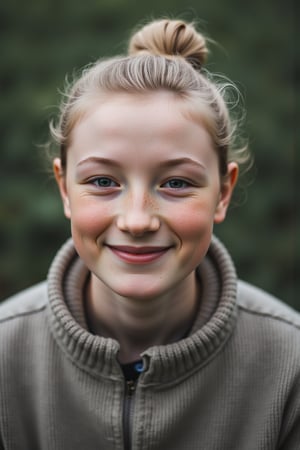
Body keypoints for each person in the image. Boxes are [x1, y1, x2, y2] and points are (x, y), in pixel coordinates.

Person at [0, 18, 299, 450]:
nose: (137, 220)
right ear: (65, 189)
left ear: (223, 192)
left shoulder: (290, 368)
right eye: (104, 182)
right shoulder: (6, 359)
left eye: (176, 183)